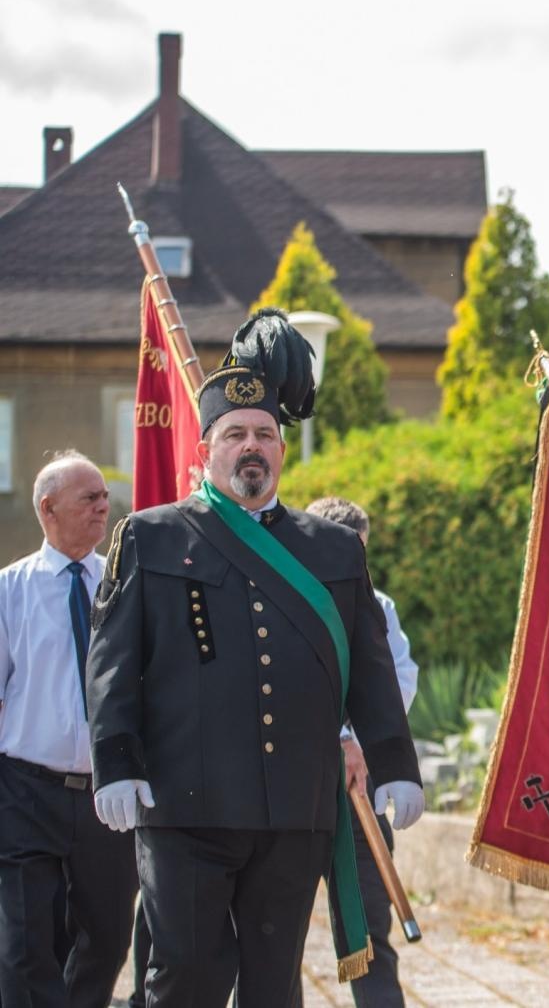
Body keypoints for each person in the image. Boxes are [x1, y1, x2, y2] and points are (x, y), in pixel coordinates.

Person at [85, 310, 423, 1007]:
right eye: (234, 434)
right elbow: (112, 664)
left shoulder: (330, 549)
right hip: (183, 810)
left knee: (274, 986)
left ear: (281, 450)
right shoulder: (148, 539)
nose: (251, 446)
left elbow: (369, 666)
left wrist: (394, 763)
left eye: (264, 434)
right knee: (186, 978)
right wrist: (114, 761)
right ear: (206, 450)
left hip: (291, 811)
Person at [0, 452, 138, 1007]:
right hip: (25, 792)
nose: (104, 506)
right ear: (47, 508)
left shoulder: (127, 587)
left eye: (105, 496)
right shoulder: (10, 591)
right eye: (90, 498)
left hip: (107, 795)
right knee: (28, 944)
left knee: (106, 938)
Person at [302, 497, 419, 1008]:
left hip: (358, 784)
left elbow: (396, 683)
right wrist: (334, 738)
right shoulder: (282, 597)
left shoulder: (379, 605)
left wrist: (359, 742)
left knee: (370, 922)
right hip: (292, 782)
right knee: (270, 928)